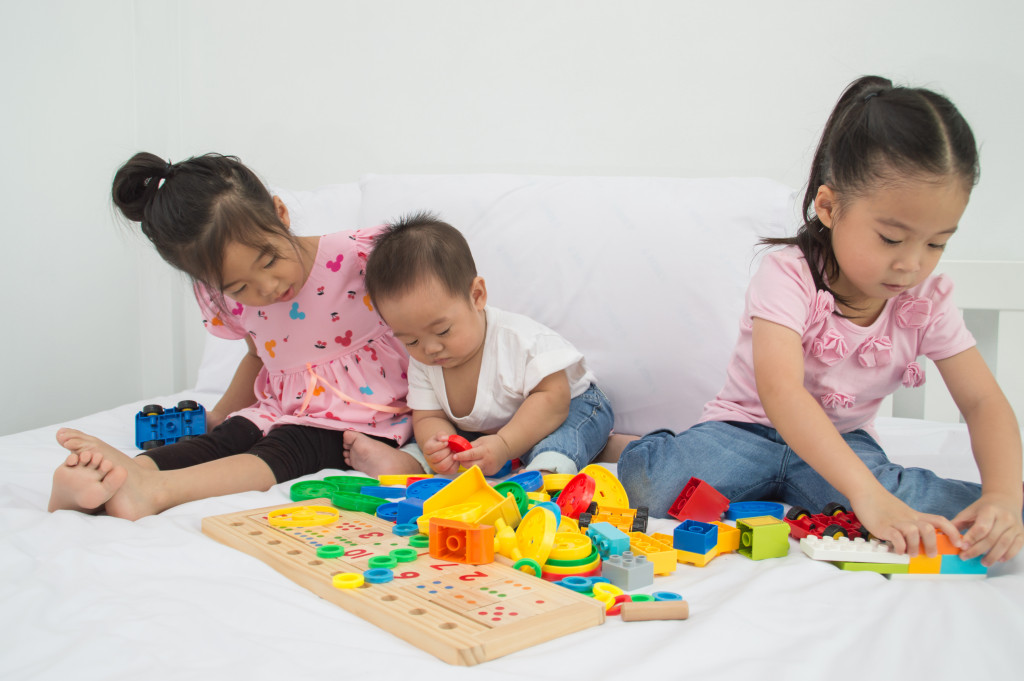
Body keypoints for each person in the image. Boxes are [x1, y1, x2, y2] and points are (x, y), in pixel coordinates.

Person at [614, 76, 1023, 565]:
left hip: (842, 447)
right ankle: (635, 444)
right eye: (892, 239)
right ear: (829, 208)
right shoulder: (788, 276)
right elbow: (782, 393)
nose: (913, 264)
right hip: (746, 431)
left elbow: (981, 401)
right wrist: (867, 496)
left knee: (934, 508)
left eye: (936, 243)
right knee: (651, 488)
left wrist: (1002, 496)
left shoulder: (926, 299)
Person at [48, 152, 423, 520]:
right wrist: (221, 415)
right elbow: (258, 357)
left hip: (360, 414)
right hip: (281, 407)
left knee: (288, 446)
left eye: (269, 261)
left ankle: (157, 491)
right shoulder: (223, 297)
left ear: (280, 214)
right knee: (229, 437)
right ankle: (119, 476)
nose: (268, 288)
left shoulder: (363, 256)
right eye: (240, 286)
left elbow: (435, 315)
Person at [364, 213, 614, 477]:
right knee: (433, 442)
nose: (430, 349)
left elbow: (554, 398)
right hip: (495, 427)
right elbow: (428, 417)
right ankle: (412, 462)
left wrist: (505, 445)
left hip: (570, 407)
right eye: (411, 341)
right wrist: (441, 447)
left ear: (477, 296)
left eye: (443, 331)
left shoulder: (518, 341)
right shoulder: (424, 363)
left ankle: (543, 477)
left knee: (560, 441)